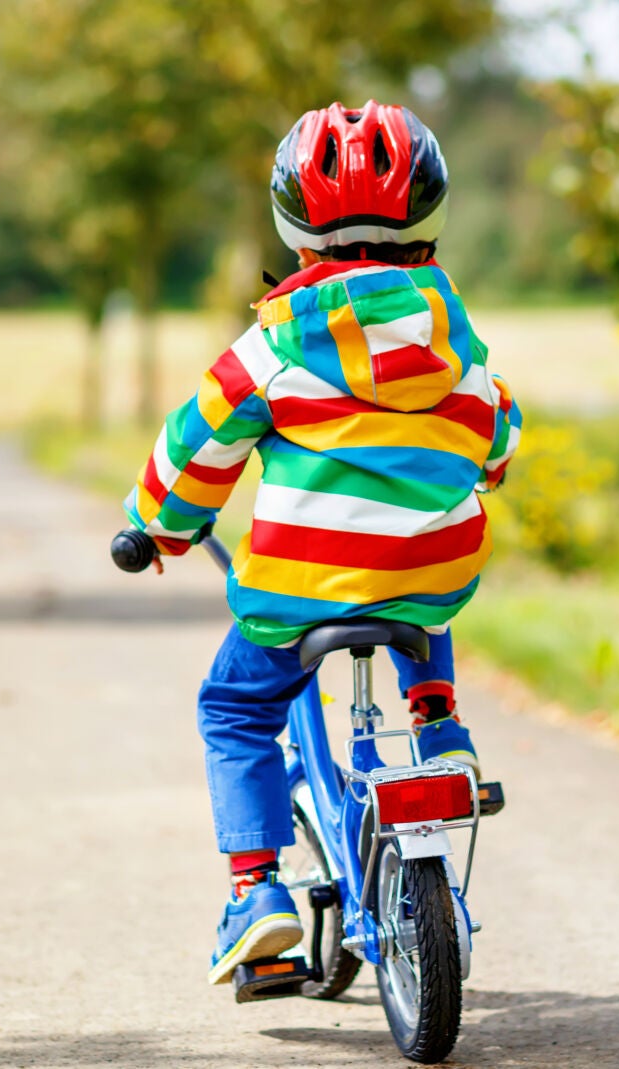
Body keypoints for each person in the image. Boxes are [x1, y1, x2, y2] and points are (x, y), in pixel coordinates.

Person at [121, 100, 522, 985]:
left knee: (235, 709)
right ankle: (438, 721)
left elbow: (195, 448)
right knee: (420, 571)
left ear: (295, 235)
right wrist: (485, 465)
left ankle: (256, 892)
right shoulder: (457, 341)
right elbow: (498, 428)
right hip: (431, 570)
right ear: (431, 224)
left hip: (303, 589)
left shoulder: (272, 348)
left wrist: (159, 527)